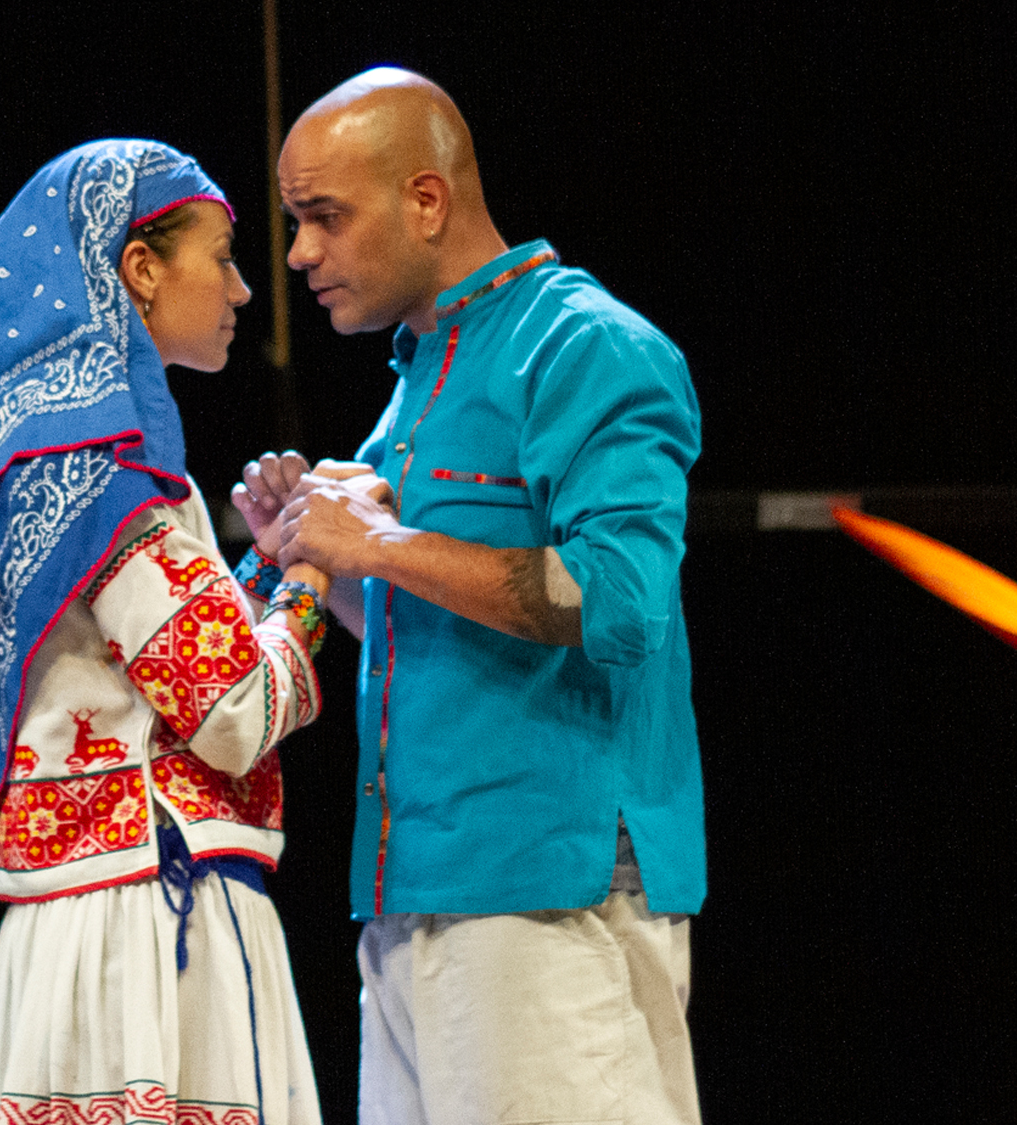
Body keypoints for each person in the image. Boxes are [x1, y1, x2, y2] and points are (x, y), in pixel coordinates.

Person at [251, 69, 708, 1123]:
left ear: (426, 199)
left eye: (325, 217)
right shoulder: (419, 379)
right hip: (415, 896)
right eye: (292, 222)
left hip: (552, 896)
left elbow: (619, 602)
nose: (299, 255)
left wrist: (382, 540)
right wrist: (319, 551)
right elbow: (418, 624)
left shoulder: (586, 346)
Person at [0, 140, 334, 1125]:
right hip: (152, 925)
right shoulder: (108, 473)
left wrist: (264, 570)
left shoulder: (39, 460)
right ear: (139, 268)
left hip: (83, 917)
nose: (245, 286)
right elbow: (231, 709)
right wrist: (318, 578)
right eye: (223, 255)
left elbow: (144, 668)